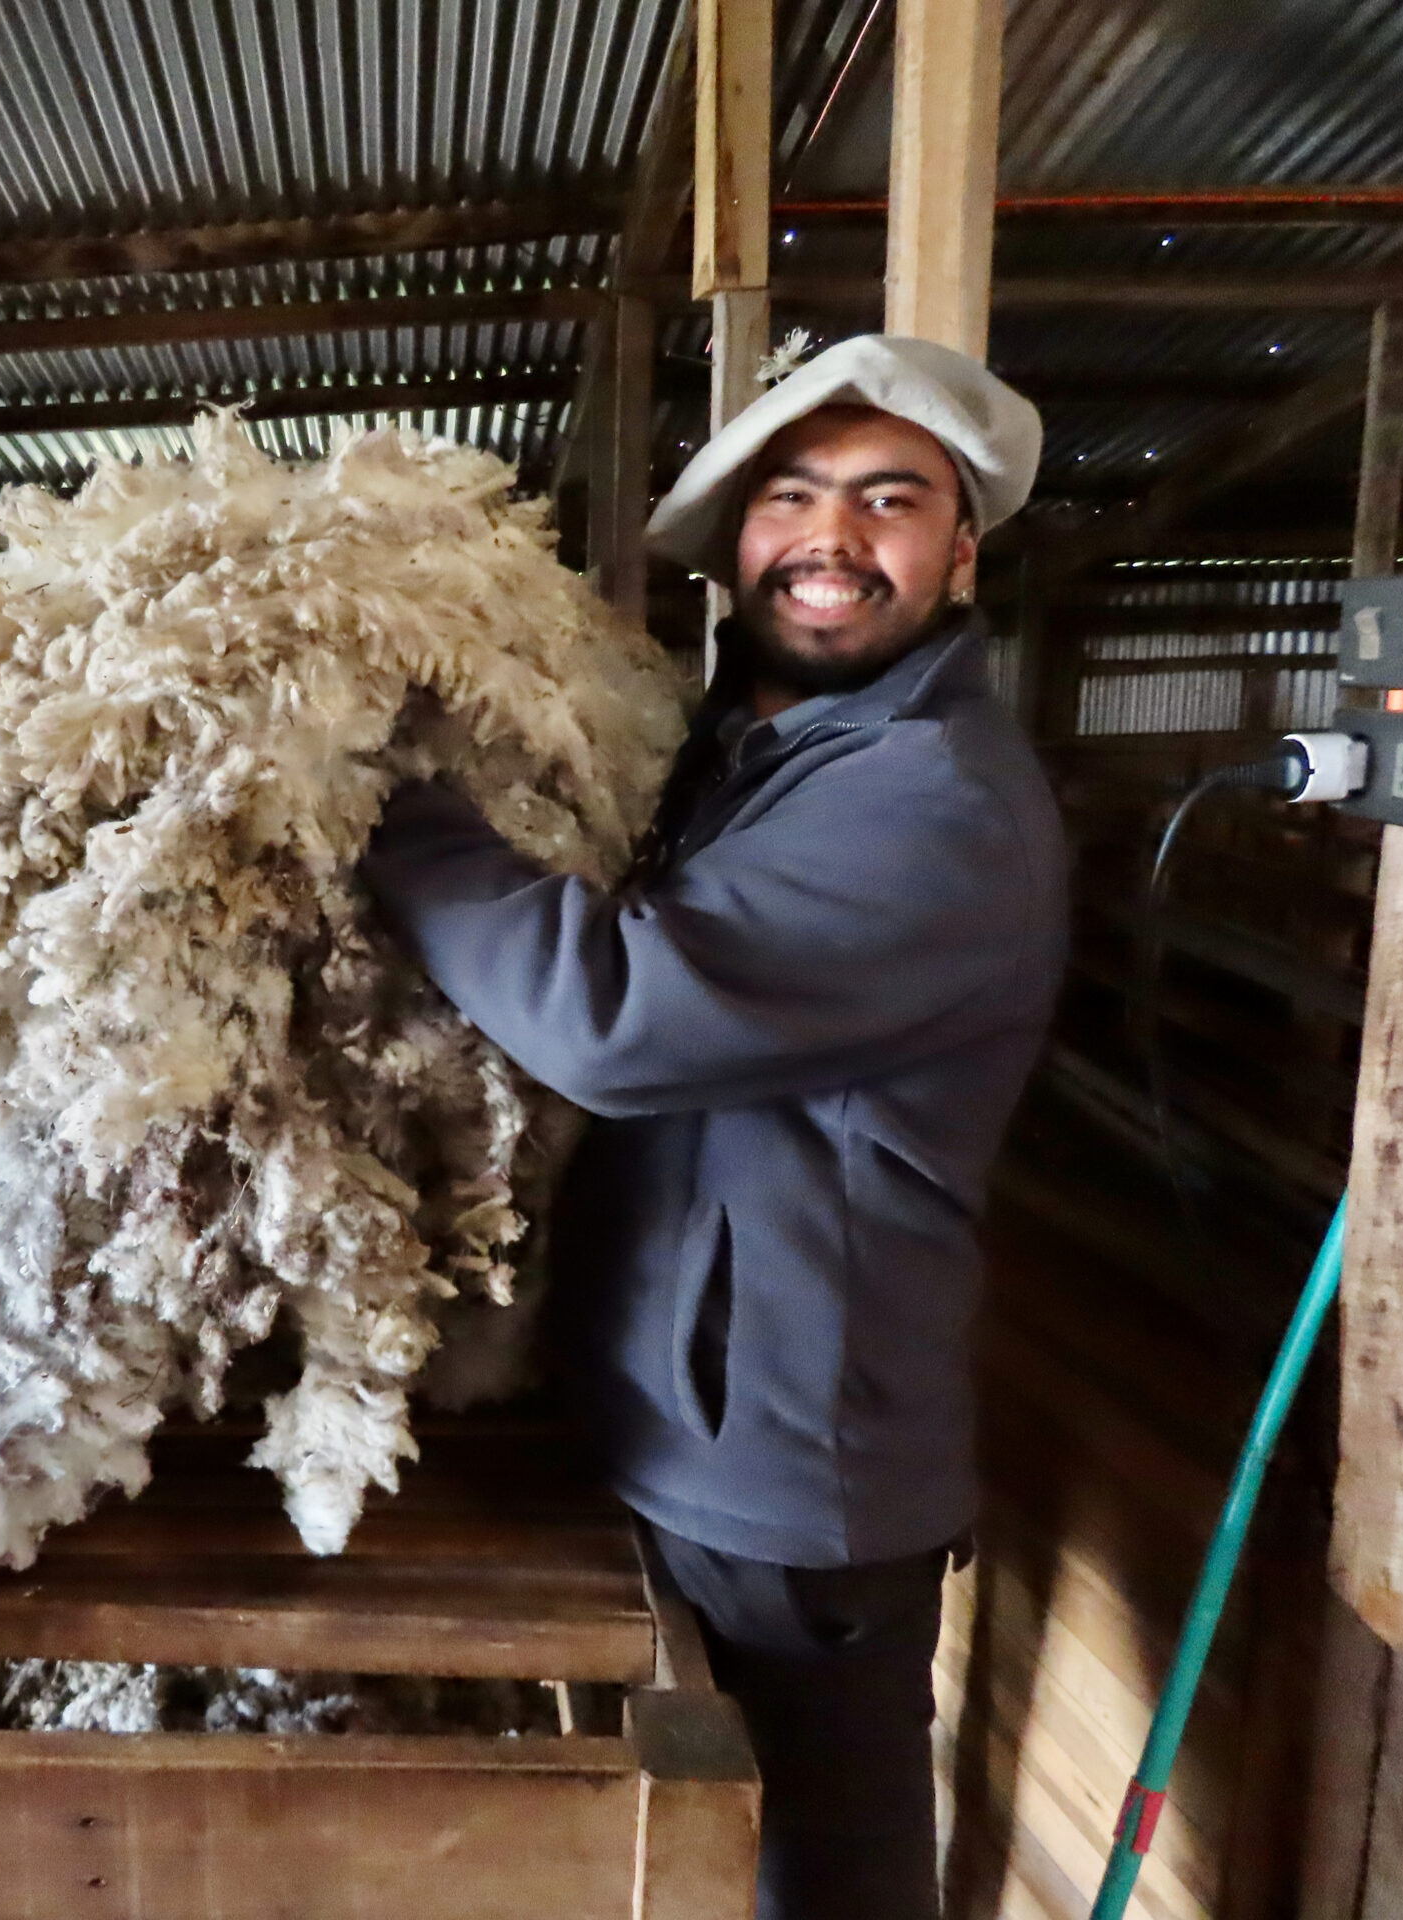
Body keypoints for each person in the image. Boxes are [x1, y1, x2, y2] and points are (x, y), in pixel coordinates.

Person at [358, 335, 1069, 1920]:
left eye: (893, 499)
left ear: (963, 552)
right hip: (694, 1407)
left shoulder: (930, 799)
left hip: (793, 1463)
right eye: (794, 495)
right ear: (740, 540)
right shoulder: (751, 753)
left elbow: (616, 1017)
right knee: (703, 1844)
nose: (833, 535)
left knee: (820, 1859)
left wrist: (383, 800)